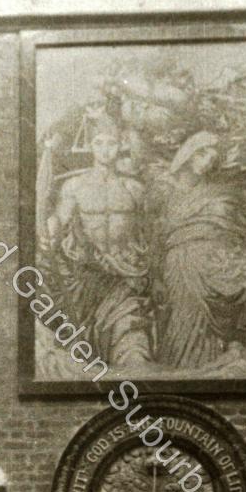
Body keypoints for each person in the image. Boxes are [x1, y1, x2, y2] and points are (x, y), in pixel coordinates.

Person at [38, 113, 152, 369]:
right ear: (90, 146)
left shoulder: (134, 188)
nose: (105, 150)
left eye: (111, 143)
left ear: (120, 145)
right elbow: (59, 221)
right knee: (87, 347)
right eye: (99, 143)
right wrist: (49, 232)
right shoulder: (74, 186)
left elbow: (149, 234)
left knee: (131, 338)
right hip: (87, 279)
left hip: (126, 278)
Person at [154, 130, 246, 370]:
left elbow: (239, 230)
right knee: (182, 321)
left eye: (212, 158)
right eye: (202, 154)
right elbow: (153, 235)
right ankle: (182, 370)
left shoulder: (221, 192)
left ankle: (212, 366)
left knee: (211, 332)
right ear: (188, 153)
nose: (207, 161)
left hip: (212, 269)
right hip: (178, 266)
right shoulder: (162, 187)